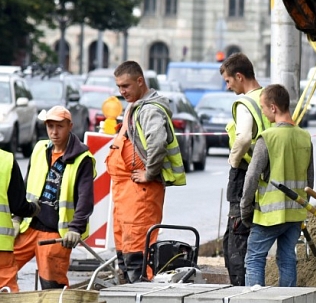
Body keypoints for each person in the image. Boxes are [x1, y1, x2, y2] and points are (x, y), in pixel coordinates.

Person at [107, 61, 186, 283]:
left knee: (138, 257)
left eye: (126, 86)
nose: (122, 92)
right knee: (125, 254)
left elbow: (157, 142)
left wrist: (149, 173)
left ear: (140, 81)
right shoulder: (136, 106)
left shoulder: (149, 109)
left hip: (140, 193)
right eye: (119, 87)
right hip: (127, 193)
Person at [12, 106, 95, 290]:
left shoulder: (82, 159)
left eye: (59, 126)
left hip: (55, 233)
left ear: (70, 126)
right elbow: (26, 186)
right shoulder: (40, 149)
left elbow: (85, 198)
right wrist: (17, 217)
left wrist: (75, 228)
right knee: (4, 269)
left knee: (52, 286)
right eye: (50, 126)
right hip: (29, 226)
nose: (54, 132)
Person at [240, 84, 314, 287]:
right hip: (295, 214)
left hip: (269, 216)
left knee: (254, 259)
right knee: (287, 258)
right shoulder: (305, 137)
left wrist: (245, 211)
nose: (263, 113)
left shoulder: (268, 138)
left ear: (273, 107)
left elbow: (251, 177)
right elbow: (310, 181)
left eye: (263, 108)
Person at [220, 53, 270, 286]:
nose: (228, 87)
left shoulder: (245, 103)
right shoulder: (268, 97)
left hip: (244, 172)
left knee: (236, 238)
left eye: (229, 81)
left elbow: (243, 138)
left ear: (239, 76)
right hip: (267, 175)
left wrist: (233, 162)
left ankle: (240, 290)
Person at [0, 150, 40, 291]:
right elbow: (18, 206)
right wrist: (34, 208)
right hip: (1, 247)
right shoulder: (6, 160)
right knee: (6, 299)